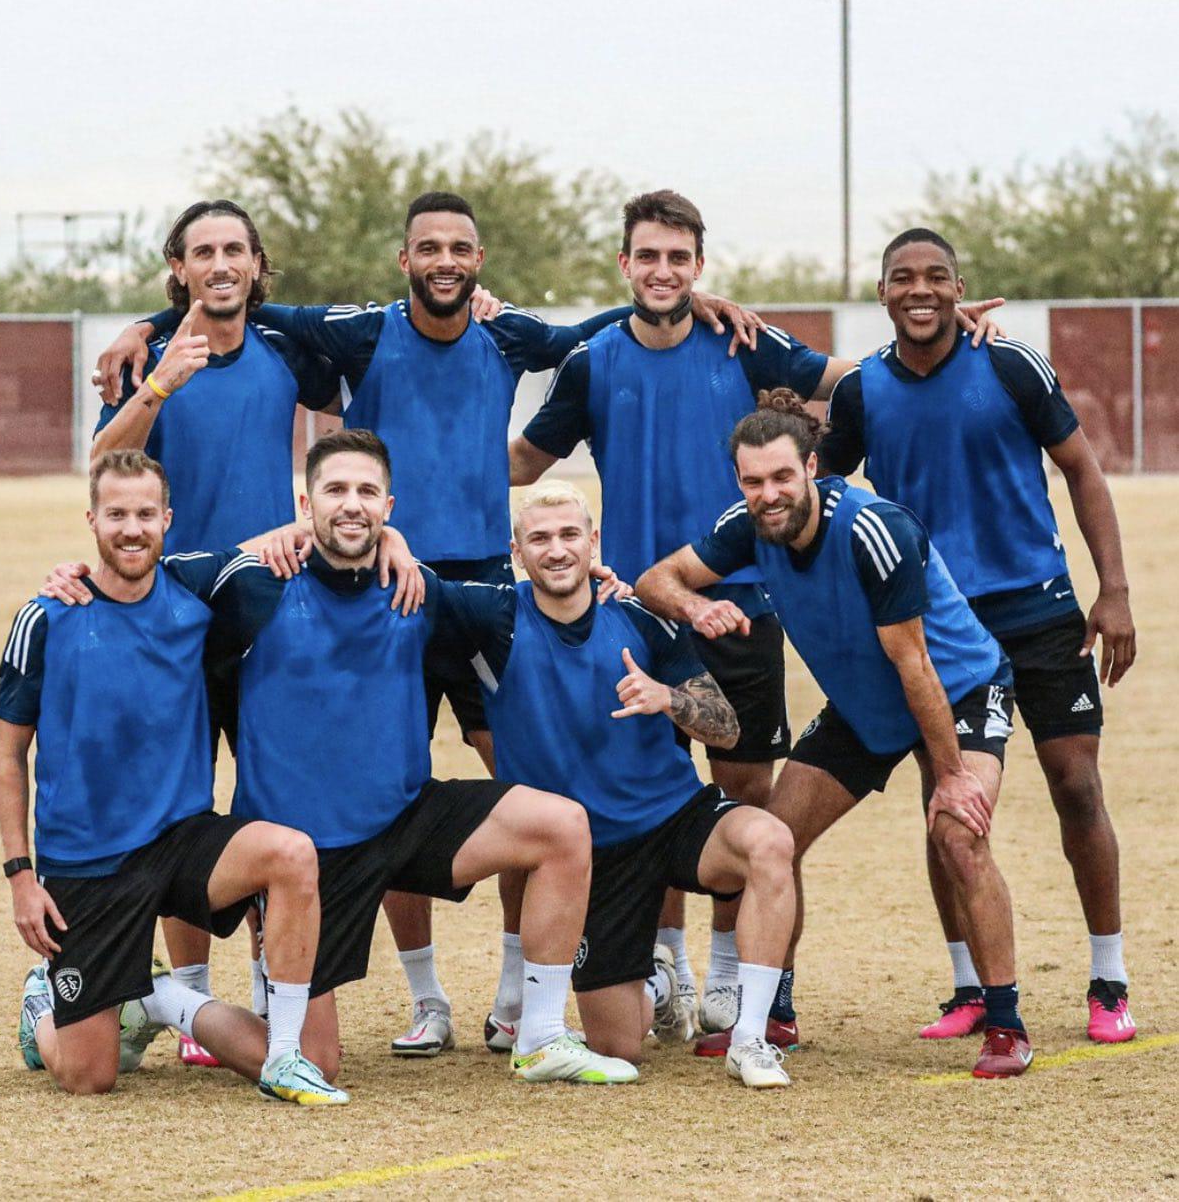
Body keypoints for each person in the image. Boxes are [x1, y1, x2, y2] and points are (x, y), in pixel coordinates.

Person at [93, 189, 766, 1055]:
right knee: (228, 792)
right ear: (403, 260)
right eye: (428, 247)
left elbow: (588, 335)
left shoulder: (477, 339)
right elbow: (214, 311)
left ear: (478, 262)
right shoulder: (341, 334)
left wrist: (687, 300)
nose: (445, 260)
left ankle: (516, 997)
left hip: (460, 592)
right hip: (275, 594)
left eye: (461, 247)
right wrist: (147, 331)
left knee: (525, 785)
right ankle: (255, 997)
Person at [511, 190, 1006, 1048]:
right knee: (650, 794)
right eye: (647, 257)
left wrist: (951, 336)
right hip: (639, 613)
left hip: (746, 615)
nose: (663, 272)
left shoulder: (743, 342)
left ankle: (742, 986)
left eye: (679, 258)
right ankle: (665, 965)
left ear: (699, 267)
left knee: (746, 800)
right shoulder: (592, 359)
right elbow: (524, 458)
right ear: (624, 265)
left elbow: (856, 382)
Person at [86, 199, 419, 1066]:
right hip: (170, 617)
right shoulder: (150, 361)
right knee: (181, 806)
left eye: (236, 250)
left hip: (271, 611)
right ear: (180, 267)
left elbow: (357, 433)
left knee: (273, 798)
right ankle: (188, 1001)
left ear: (258, 266)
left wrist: (389, 526)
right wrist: (160, 373)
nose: (222, 264)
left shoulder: (283, 349)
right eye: (205, 252)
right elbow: (102, 464)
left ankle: (280, 984)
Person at [206, 430, 639, 1085]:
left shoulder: (417, 587)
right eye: (335, 491)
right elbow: (147, 583)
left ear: (389, 505)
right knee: (311, 1061)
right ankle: (165, 1003)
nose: (351, 505)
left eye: (366, 493)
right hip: (307, 856)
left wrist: (594, 581)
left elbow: (524, 607)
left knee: (561, 825)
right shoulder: (255, 584)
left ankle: (543, 1036)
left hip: (405, 819)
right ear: (305, 503)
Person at [637, 391, 1034, 1078]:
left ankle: (1006, 1022)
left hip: (957, 687)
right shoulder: (746, 527)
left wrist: (951, 778)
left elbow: (915, 665)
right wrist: (697, 606)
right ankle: (772, 1015)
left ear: (813, 468)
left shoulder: (874, 531)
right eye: (754, 481)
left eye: (782, 477)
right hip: (864, 705)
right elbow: (655, 579)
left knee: (958, 834)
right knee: (774, 840)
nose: (769, 494)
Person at [820, 228, 1138, 1044]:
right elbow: (815, 488)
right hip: (943, 631)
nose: (919, 290)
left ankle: (1109, 977)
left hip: (1038, 612)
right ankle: (968, 985)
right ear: (882, 294)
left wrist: (1114, 592)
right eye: (903, 278)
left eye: (936, 277)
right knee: (946, 801)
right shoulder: (863, 392)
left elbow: (1082, 469)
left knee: (1076, 786)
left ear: (961, 287)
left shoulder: (1009, 364)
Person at [0, 449, 347, 1104]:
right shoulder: (46, 617)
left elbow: (313, 529)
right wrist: (21, 876)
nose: (132, 529)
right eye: (117, 514)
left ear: (168, 520)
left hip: (182, 840)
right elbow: (8, 755)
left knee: (291, 854)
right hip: (87, 865)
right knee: (89, 1077)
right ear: (92, 520)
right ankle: (44, 1008)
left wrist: (402, 540)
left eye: (146, 515)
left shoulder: (195, 586)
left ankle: (269, 1046)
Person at [432, 480, 798, 1088]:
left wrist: (669, 698)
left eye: (571, 535)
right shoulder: (493, 617)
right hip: (593, 858)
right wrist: (389, 537)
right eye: (540, 538)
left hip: (675, 816)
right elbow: (407, 585)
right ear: (516, 551)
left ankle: (752, 1038)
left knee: (770, 841)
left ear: (593, 541)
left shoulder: (639, 618)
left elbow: (728, 730)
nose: (557, 550)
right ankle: (650, 977)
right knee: (620, 1044)